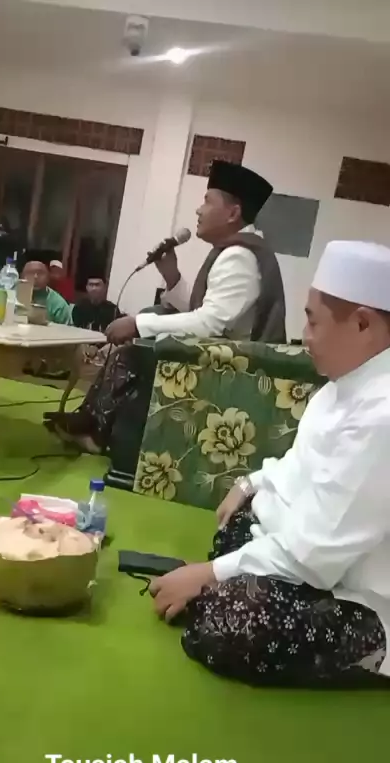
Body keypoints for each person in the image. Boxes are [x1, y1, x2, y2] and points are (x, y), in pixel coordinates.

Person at [151, 240, 390, 688]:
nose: (306, 335)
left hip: (358, 597)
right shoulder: (345, 385)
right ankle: (229, 580)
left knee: (235, 622)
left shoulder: (383, 416)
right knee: (238, 518)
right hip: (304, 555)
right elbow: (300, 464)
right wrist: (250, 482)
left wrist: (209, 573)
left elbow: (317, 556)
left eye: (313, 321)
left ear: (362, 324)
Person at [44, 161, 285, 453]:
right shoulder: (239, 251)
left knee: (135, 350)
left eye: (207, 201)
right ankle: (90, 423)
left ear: (233, 213)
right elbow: (206, 313)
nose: (198, 210)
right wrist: (172, 276)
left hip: (232, 370)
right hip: (223, 356)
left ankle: (96, 433)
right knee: (149, 324)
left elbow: (210, 324)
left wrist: (137, 324)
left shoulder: (239, 257)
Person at [21, 260, 74, 325]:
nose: (35, 276)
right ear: (22, 276)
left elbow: (67, 329)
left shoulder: (58, 304)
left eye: (40, 273)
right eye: (30, 273)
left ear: (48, 277)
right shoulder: (12, 295)